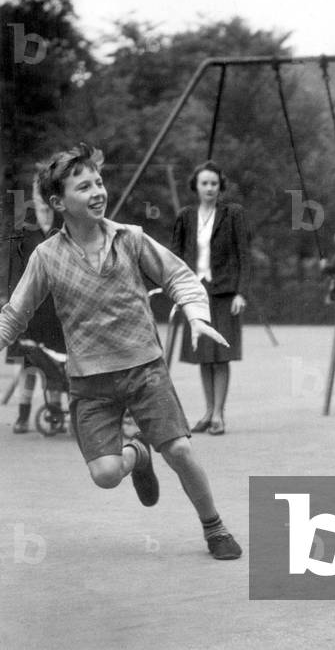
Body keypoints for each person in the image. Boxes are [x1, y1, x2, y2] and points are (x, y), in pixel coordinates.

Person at [0, 143, 242, 560]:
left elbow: (179, 278)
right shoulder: (46, 256)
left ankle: (214, 527)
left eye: (98, 182)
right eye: (83, 187)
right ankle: (137, 454)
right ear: (59, 203)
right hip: (90, 385)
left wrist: (198, 314)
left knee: (182, 450)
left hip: (145, 370)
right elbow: (15, 314)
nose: (97, 191)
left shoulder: (131, 238)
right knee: (107, 475)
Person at [172, 160, 250, 436]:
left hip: (224, 293)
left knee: (221, 355)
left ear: (220, 186)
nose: (209, 188)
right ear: (196, 186)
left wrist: (240, 292)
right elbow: (176, 256)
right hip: (196, 293)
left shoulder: (233, 214)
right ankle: (207, 411)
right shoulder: (185, 216)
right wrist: (178, 290)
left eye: (214, 184)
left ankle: (219, 413)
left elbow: (244, 255)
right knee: (205, 356)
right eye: (204, 183)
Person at [5, 181, 66, 433]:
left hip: (56, 307)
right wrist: (12, 300)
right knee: (28, 363)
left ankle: (54, 414)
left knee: (56, 361)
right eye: (35, 188)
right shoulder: (23, 225)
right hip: (31, 305)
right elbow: (14, 267)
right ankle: (23, 415)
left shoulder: (63, 223)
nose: (39, 195)